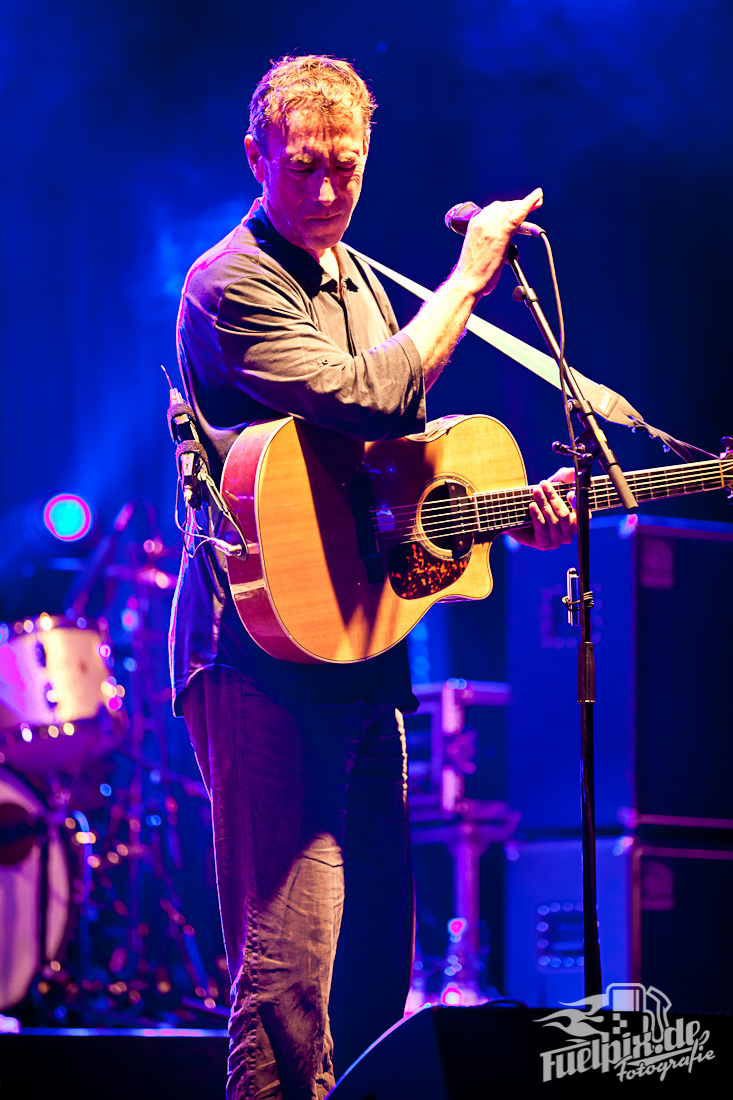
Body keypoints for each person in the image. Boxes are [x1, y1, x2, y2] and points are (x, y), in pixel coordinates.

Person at [170, 54, 576, 1100]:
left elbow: (385, 480)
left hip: (356, 657)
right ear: (257, 155)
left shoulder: (357, 279)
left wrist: (494, 521)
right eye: (302, 166)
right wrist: (469, 277)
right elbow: (371, 397)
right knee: (285, 982)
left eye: (345, 169)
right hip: (259, 661)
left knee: (371, 990)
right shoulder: (229, 283)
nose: (325, 191)